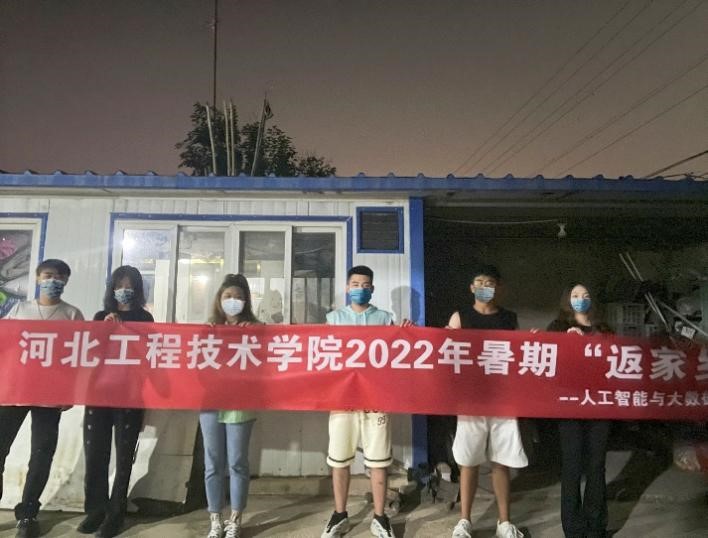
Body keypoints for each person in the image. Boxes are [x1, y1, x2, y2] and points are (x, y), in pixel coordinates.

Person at [321, 265, 412, 538]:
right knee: (339, 460)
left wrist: (406, 333)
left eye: (365, 285)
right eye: (355, 284)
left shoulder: (385, 319)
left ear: (372, 289)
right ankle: (340, 514)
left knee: (378, 461)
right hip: (342, 400)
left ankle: (380, 517)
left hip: (376, 399)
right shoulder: (334, 318)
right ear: (347, 288)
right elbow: (320, 353)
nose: (360, 289)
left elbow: (396, 353)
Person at [0, 259, 84, 538]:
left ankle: (27, 515)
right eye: (48, 275)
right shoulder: (19, 310)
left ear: (66, 281)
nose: (53, 281)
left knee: (41, 454)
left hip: (50, 395)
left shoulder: (72, 314)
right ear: (37, 278)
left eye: (59, 277)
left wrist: (71, 392)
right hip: (14, 392)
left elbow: (78, 357)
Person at [447, 265, 527, 538]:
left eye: (489, 282)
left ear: (498, 287)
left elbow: (520, 354)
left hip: (502, 400)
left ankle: (504, 522)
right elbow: (444, 351)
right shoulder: (460, 317)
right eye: (479, 282)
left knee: (501, 461)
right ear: (472, 287)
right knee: (468, 461)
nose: (484, 287)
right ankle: (464, 521)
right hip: (470, 400)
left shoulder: (509, 319)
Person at [77, 265, 154, 537]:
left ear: (137, 289)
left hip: (129, 396)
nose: (124, 290)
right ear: (112, 289)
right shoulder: (101, 317)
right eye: (120, 285)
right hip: (98, 395)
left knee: (123, 458)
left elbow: (149, 355)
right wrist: (104, 330)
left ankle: (115, 512)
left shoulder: (144, 318)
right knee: (95, 455)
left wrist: (128, 334)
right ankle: (95, 510)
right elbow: (88, 353)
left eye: (129, 285)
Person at [547, 283, 612, 538]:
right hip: (570, 406)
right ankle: (573, 528)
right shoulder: (557, 327)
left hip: (599, 405)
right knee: (572, 465)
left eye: (585, 295)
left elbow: (615, 363)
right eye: (575, 295)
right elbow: (546, 358)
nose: (580, 299)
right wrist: (565, 341)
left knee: (596, 465)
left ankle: (596, 526)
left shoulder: (604, 329)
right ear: (567, 299)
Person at [202, 274, 260, 538]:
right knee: (213, 463)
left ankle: (235, 518)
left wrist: (258, 334)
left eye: (238, 297)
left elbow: (272, 358)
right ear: (219, 299)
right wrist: (205, 336)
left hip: (241, 403)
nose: (233, 301)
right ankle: (215, 518)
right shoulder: (209, 329)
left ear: (246, 301)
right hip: (210, 402)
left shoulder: (255, 329)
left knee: (237, 462)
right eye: (228, 296)